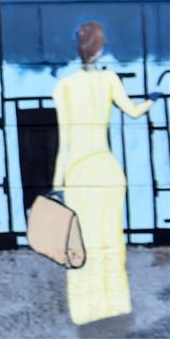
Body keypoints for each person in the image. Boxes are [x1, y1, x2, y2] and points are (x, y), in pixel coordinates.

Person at [50, 21, 153, 327]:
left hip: (78, 173)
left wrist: (57, 186)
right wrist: (153, 100)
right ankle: (116, 304)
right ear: (101, 49)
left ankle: (85, 310)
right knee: (111, 240)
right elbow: (133, 111)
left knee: (83, 244)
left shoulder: (64, 87)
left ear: (78, 48)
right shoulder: (109, 80)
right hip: (107, 169)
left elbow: (65, 141)